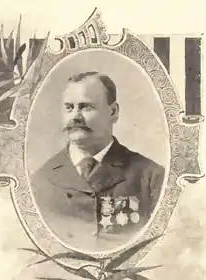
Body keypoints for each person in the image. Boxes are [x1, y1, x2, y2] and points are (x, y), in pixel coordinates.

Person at [31, 71, 165, 250]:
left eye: (86, 107)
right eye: (69, 107)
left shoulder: (151, 176)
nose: (76, 117)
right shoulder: (41, 181)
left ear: (113, 112)